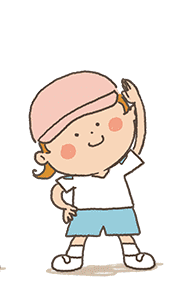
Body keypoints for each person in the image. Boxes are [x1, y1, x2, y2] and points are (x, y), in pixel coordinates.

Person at [29, 72, 156, 272]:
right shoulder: (78, 176)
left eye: (100, 124)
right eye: (76, 135)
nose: (93, 138)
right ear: (45, 157)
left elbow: (136, 147)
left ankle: (132, 255)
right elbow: (58, 190)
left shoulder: (116, 169)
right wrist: (64, 205)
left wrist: (137, 105)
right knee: (81, 234)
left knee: (125, 233)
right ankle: (73, 257)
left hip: (118, 207)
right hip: (87, 209)